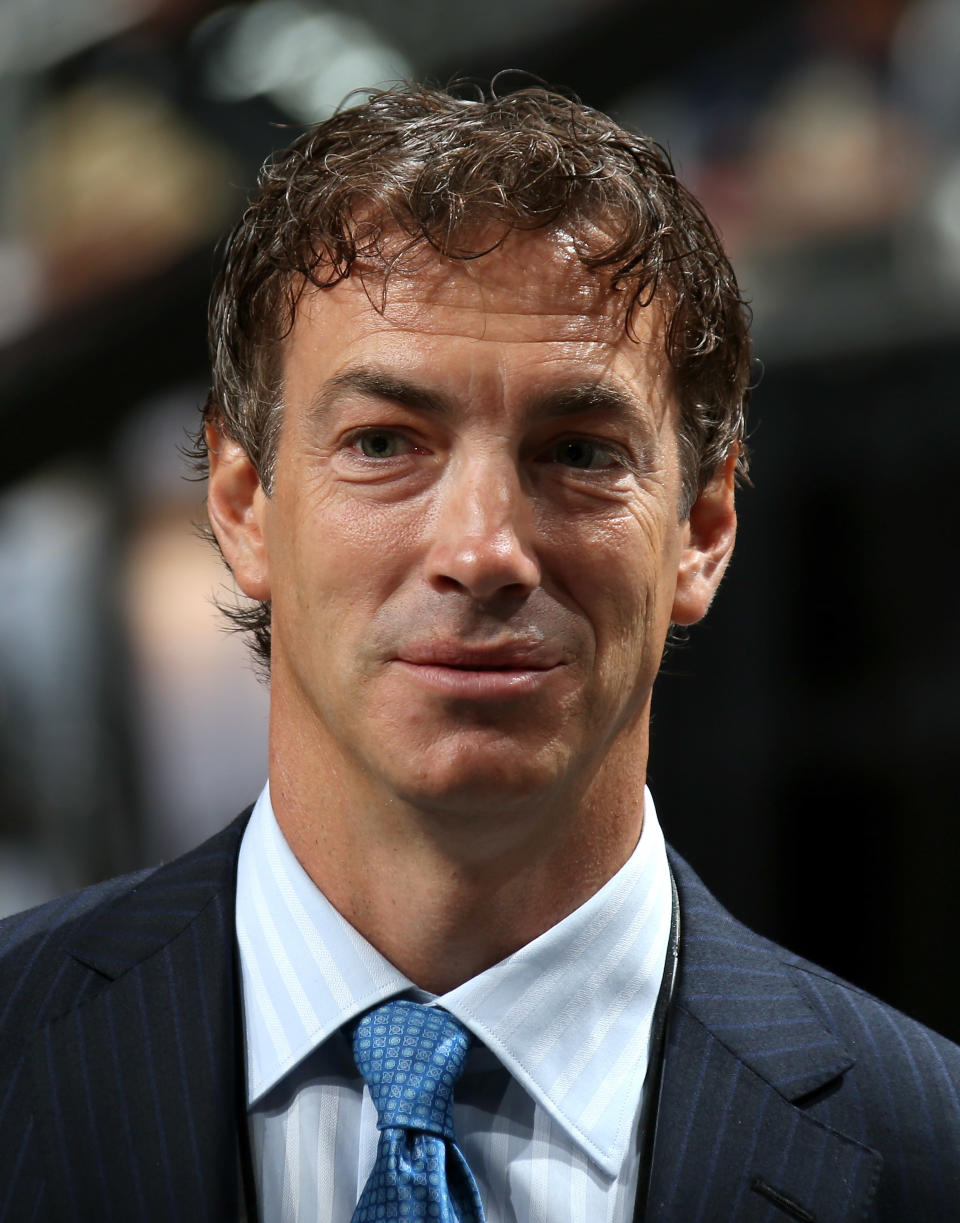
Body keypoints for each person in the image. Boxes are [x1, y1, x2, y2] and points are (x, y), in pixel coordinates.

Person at [1, 83, 958, 1223]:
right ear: (243, 502)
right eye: (385, 442)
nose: (483, 549)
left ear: (704, 529)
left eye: (579, 451)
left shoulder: (930, 1155)